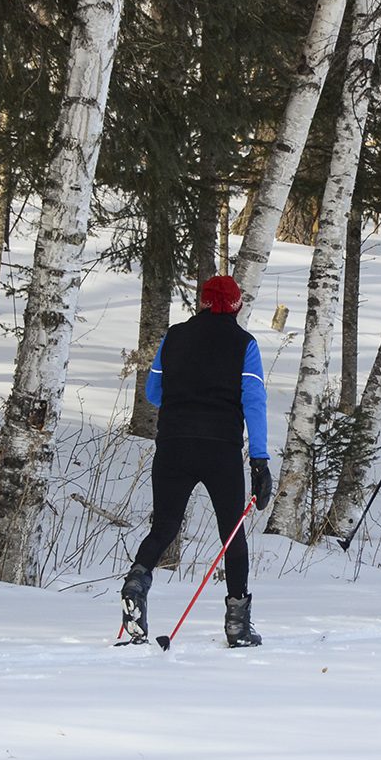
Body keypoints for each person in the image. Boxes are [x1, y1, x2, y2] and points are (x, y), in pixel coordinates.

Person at [120, 275, 271, 648]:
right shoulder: (244, 344)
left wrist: (186, 396)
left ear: (202, 302)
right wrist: (259, 460)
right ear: (236, 305)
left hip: (173, 444)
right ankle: (237, 627)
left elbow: (154, 392)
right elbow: (254, 403)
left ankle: (137, 582)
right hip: (220, 448)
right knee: (231, 533)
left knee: (165, 526)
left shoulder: (175, 336)